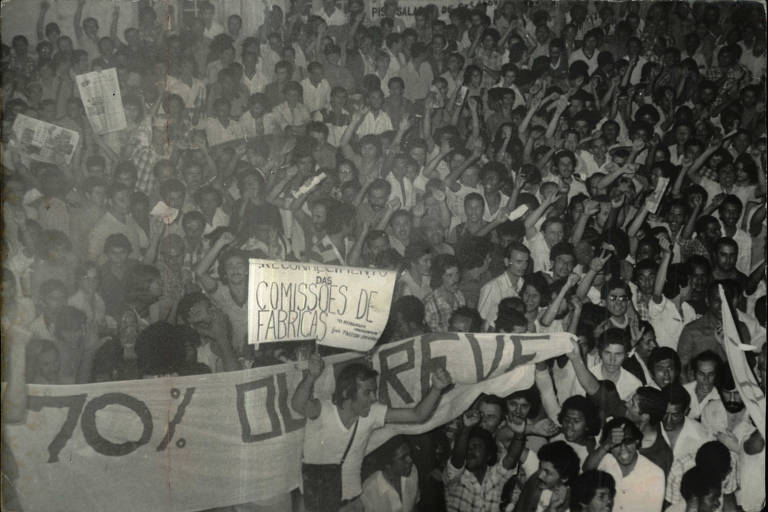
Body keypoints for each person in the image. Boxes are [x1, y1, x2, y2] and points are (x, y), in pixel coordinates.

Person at [292, 353, 452, 511]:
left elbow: (417, 415)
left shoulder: (371, 413)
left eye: (374, 391)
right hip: (314, 505)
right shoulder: (323, 410)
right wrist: (311, 377)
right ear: (347, 393)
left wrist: (436, 389)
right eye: (367, 392)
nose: (374, 398)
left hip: (351, 505)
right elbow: (298, 405)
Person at [360, 435, 419, 512]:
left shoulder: (413, 472)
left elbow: (414, 505)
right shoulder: (369, 491)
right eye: (403, 457)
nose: (410, 460)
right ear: (387, 464)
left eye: (409, 454)